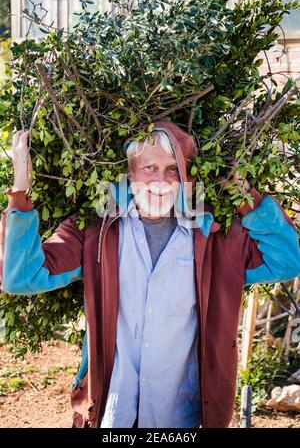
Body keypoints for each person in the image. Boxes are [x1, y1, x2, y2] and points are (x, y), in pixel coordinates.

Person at [0, 120, 299, 428]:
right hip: (111, 412)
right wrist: (20, 187)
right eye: (149, 168)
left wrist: (245, 194)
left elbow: (287, 261)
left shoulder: (217, 237)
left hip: (181, 414)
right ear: (129, 173)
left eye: (172, 169)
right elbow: (21, 276)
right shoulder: (96, 230)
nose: (161, 180)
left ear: (186, 174)